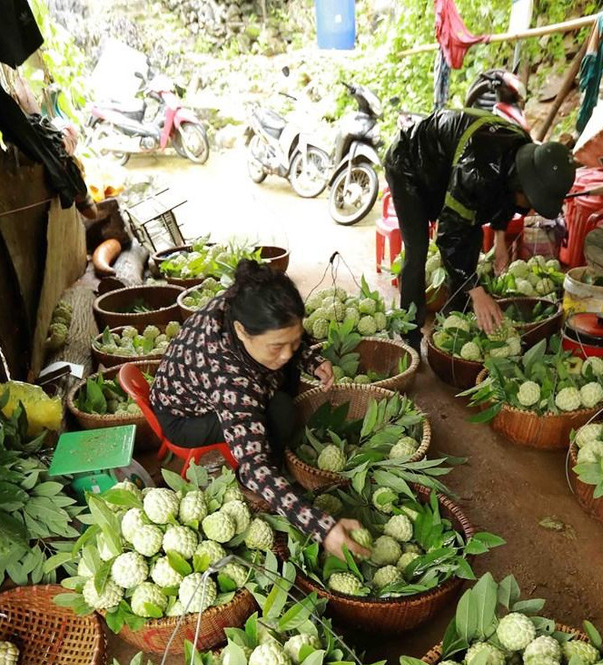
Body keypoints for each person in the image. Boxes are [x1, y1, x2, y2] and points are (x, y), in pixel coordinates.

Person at [149, 259, 368, 558]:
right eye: (276, 346)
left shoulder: (243, 300)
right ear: (241, 331)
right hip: (184, 418)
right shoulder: (230, 380)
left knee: (285, 374)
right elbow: (254, 465)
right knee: (278, 411)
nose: (285, 353)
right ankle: (257, 484)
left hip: (210, 386)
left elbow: (286, 335)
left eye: (291, 342)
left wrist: (309, 360)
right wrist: (323, 528)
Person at [384, 108, 576, 341]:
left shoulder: (520, 152)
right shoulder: (477, 170)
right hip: (409, 164)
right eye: (533, 199)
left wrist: (500, 239)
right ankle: (410, 335)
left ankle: (453, 321)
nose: (533, 206)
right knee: (417, 249)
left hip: (444, 169)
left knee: (472, 239)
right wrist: (476, 291)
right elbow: (450, 234)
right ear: (522, 183)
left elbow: (502, 199)